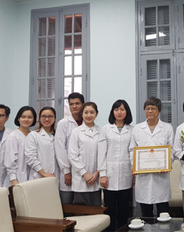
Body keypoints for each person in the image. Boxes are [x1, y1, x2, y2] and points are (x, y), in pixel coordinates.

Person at [129, 97, 174, 217]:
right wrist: (134, 164)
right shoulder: (137, 129)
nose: (150, 111)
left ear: (159, 111)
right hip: (143, 176)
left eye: (153, 109)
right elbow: (132, 149)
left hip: (161, 175)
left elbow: (172, 149)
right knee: (146, 213)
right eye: (147, 108)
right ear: (144, 111)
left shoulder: (167, 128)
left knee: (163, 212)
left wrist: (168, 163)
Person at [98, 100, 134, 231]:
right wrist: (102, 174)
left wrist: (134, 172)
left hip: (126, 174)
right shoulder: (106, 129)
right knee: (110, 209)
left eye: (122, 109)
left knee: (125, 209)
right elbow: (101, 153)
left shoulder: (132, 130)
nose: (119, 112)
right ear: (113, 112)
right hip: (109, 175)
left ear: (127, 112)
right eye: (116, 109)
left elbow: (132, 151)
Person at [68, 102, 101, 206]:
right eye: (86, 112)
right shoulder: (76, 132)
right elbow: (72, 155)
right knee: (82, 212)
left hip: (96, 178)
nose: (89, 115)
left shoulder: (101, 131)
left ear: (96, 114)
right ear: (82, 114)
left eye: (92, 112)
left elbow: (103, 155)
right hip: (80, 179)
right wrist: (84, 174)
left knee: (96, 213)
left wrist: (97, 172)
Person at [55, 92, 85, 204]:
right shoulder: (63, 124)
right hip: (68, 171)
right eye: (71, 104)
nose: (74, 106)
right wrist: (66, 171)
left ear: (83, 104)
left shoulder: (87, 122)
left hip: (84, 171)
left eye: (77, 103)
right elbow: (60, 148)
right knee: (66, 203)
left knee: (81, 206)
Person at [3, 106, 37, 186]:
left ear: (34, 119)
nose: (26, 120)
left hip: (32, 177)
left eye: (29, 117)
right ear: (18, 118)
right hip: (17, 178)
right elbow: (9, 160)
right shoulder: (13, 136)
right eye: (23, 117)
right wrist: (13, 179)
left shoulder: (34, 135)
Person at [25, 107, 57, 180]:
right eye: (44, 116)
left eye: (50, 116)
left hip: (55, 176)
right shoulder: (33, 135)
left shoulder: (57, 135)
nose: (46, 119)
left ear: (54, 118)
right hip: (38, 177)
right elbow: (30, 157)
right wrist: (43, 173)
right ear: (39, 118)